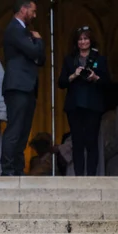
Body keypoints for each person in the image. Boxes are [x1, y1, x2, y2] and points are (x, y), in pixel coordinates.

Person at [0, 0, 45, 176]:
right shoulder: (14, 29)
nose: (34, 15)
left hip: (27, 87)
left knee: (24, 130)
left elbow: (41, 60)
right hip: (17, 86)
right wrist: (39, 41)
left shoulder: (25, 33)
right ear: (23, 9)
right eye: (33, 11)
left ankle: (18, 169)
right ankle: (8, 169)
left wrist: (36, 47)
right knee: (15, 128)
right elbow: (35, 53)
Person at [58, 26, 110, 176]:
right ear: (76, 42)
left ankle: (92, 176)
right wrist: (74, 75)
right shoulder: (69, 60)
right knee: (78, 142)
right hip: (74, 106)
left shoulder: (100, 59)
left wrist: (95, 78)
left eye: (85, 38)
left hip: (93, 106)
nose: (83, 42)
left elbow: (108, 83)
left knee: (92, 141)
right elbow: (61, 83)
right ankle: (79, 176)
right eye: (80, 39)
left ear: (90, 40)